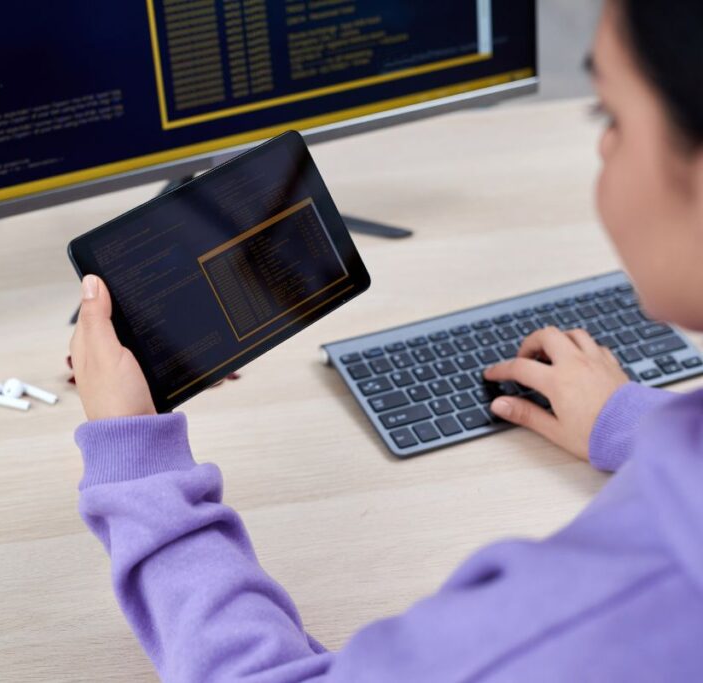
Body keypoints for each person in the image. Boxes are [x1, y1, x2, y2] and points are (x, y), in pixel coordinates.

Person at [68, 1, 703, 680]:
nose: (603, 146)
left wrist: (136, 462)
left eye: (609, 116)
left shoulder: (622, 606)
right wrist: (629, 422)